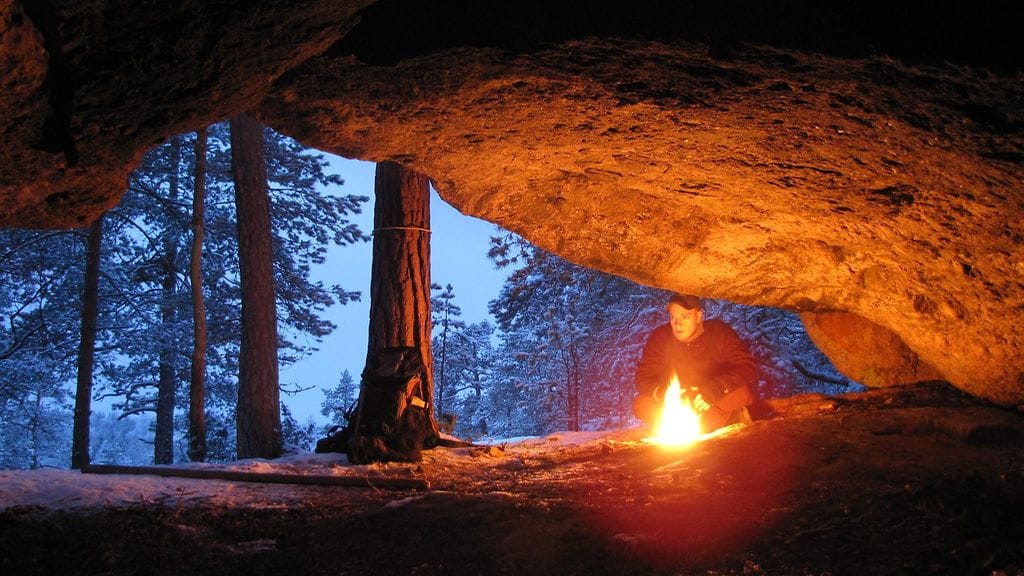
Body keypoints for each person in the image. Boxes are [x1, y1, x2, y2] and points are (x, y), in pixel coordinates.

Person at [633, 293, 758, 433]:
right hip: (677, 402)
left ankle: (705, 424)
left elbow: (747, 367)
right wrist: (663, 393)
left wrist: (717, 387)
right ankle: (704, 424)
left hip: (714, 398)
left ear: (699, 316)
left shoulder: (718, 331)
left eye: (684, 316)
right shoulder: (661, 337)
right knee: (641, 404)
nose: (677, 323)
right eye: (673, 317)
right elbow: (643, 377)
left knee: (743, 394)